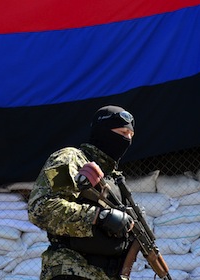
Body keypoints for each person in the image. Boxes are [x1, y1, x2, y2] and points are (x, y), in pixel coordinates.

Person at [28, 105, 137, 280]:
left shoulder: (115, 179)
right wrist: (100, 216)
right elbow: (41, 208)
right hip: (71, 270)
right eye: (123, 133)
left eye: (131, 135)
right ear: (103, 131)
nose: (128, 139)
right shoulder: (71, 159)